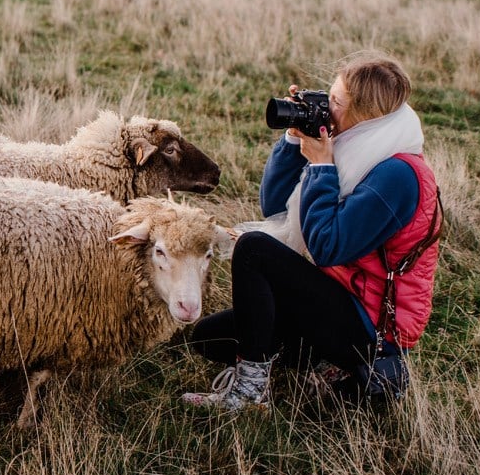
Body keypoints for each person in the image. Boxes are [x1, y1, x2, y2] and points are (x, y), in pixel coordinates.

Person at [181, 53, 441, 410]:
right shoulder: (355, 149)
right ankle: (328, 367)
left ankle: (251, 392)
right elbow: (273, 205)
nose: (324, 109)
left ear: (364, 114)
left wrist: (321, 166)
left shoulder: (397, 174)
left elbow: (327, 247)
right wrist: (292, 140)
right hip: (340, 295)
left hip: (373, 328)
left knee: (255, 250)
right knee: (210, 338)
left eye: (334, 102)